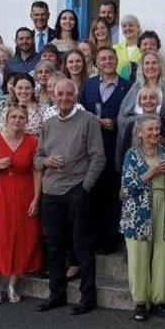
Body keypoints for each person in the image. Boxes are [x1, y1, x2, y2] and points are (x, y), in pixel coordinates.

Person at [35, 79, 107, 315]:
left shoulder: (87, 121)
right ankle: (56, 294)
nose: (64, 98)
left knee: (81, 246)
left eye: (69, 94)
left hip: (77, 189)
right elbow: (37, 158)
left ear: (75, 97)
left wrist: (85, 188)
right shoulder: (48, 124)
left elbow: (98, 157)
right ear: (53, 96)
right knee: (54, 246)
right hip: (51, 192)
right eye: (60, 94)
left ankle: (88, 298)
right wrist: (45, 161)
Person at [0, 104, 41, 304]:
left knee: (23, 237)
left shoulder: (32, 141)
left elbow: (37, 171)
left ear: (26, 120)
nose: (17, 120)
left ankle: (13, 284)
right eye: (13, 116)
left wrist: (36, 198)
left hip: (25, 192)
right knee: (0, 237)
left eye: (21, 117)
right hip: (1, 193)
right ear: (6, 119)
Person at [120, 114, 165, 323]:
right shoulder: (131, 155)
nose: (154, 133)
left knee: (164, 254)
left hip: (164, 206)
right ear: (140, 133)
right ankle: (140, 302)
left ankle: (160, 300)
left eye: (157, 129)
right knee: (139, 255)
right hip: (137, 211)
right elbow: (127, 188)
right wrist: (151, 172)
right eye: (150, 129)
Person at [80, 47, 131, 255]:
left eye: (111, 58)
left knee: (112, 194)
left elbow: (130, 117)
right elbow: (81, 113)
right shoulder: (88, 85)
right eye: (103, 59)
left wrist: (116, 124)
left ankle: (111, 240)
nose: (107, 61)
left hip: (114, 148)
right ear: (96, 62)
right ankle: (94, 237)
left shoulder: (128, 87)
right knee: (93, 193)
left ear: (117, 60)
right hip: (91, 149)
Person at [117, 51, 165, 143]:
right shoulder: (135, 88)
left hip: (161, 141)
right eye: (147, 63)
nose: (150, 66)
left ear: (160, 66)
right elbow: (122, 117)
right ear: (142, 67)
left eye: (154, 63)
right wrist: (141, 122)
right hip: (135, 142)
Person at [117, 87, 165, 172]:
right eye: (144, 98)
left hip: (164, 172)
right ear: (139, 102)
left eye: (152, 97)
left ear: (158, 101)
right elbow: (124, 154)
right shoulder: (132, 125)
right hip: (137, 174)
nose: (148, 101)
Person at [113, 14, 143, 80]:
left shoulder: (144, 48)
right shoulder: (114, 49)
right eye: (124, 26)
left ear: (138, 27)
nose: (127, 28)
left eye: (131, 25)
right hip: (118, 86)